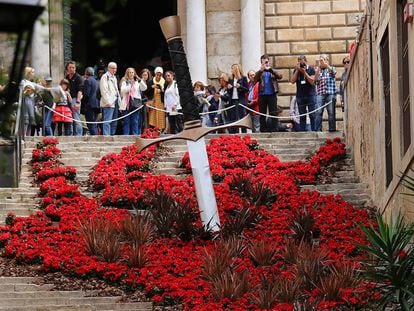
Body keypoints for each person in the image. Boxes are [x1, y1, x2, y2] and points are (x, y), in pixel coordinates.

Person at [255, 54, 283, 132]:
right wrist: (261, 70)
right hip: (262, 95)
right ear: (261, 63)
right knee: (262, 113)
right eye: (264, 62)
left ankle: (274, 129)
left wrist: (271, 70)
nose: (266, 63)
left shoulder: (272, 71)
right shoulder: (260, 72)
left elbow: (280, 76)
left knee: (273, 113)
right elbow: (254, 80)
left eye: (267, 61)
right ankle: (263, 130)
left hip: (272, 94)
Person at [290, 55, 316, 131]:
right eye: (299, 62)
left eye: (302, 62)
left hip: (310, 95)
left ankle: (314, 131)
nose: (301, 64)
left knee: (312, 114)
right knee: (302, 115)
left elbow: (312, 81)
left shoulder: (311, 69)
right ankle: (302, 132)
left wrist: (304, 72)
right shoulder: (296, 70)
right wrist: (297, 70)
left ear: (305, 61)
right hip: (300, 96)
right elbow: (292, 81)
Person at [119, 67, 147, 135]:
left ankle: (135, 136)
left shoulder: (137, 82)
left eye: (132, 72)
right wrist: (130, 85)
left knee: (135, 121)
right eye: (130, 72)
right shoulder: (125, 81)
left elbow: (144, 88)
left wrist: (140, 80)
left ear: (134, 73)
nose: (131, 74)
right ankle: (126, 136)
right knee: (126, 121)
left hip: (135, 104)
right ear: (127, 74)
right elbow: (123, 90)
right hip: (126, 104)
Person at [314, 54, 337, 132]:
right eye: (320, 60)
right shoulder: (318, 69)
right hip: (320, 93)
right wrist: (318, 68)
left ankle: (332, 130)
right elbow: (315, 80)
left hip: (330, 93)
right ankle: (317, 130)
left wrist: (326, 64)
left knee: (331, 112)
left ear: (327, 60)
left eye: (323, 60)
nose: (321, 62)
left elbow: (333, 73)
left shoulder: (331, 68)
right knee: (318, 112)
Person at [100, 61, 120, 136]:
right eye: (113, 68)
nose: (114, 70)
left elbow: (116, 90)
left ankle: (112, 135)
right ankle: (106, 136)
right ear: (108, 68)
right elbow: (103, 90)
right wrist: (107, 101)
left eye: (115, 68)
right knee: (107, 121)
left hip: (115, 101)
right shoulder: (105, 77)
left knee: (114, 121)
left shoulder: (114, 77)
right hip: (109, 102)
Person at [227, 63, 248, 133]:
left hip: (240, 100)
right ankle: (234, 134)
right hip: (232, 100)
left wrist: (240, 86)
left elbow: (247, 89)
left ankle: (244, 133)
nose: (231, 70)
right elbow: (229, 92)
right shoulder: (230, 79)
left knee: (242, 117)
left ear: (236, 69)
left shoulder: (243, 78)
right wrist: (229, 88)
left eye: (232, 68)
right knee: (233, 118)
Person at [65, 61, 84, 136]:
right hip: (67, 100)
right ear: (67, 68)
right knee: (69, 118)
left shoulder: (78, 77)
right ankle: (70, 134)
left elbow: (80, 91)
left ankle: (79, 135)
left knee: (76, 118)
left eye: (73, 67)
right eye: (70, 67)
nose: (72, 69)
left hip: (75, 99)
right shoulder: (66, 77)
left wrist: (78, 102)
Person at [82, 67, 100, 135]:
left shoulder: (87, 80)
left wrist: (83, 104)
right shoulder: (97, 81)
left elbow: (86, 94)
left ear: (86, 73)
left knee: (90, 124)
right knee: (94, 123)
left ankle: (94, 139)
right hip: (96, 104)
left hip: (90, 105)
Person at [147, 66, 166, 132]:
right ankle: (152, 130)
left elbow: (165, 92)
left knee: (160, 116)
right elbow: (146, 91)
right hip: (153, 101)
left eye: (160, 75)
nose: (158, 76)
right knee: (152, 116)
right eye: (157, 74)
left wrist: (161, 90)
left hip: (160, 102)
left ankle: (160, 130)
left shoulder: (164, 81)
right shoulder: (150, 81)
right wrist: (152, 87)